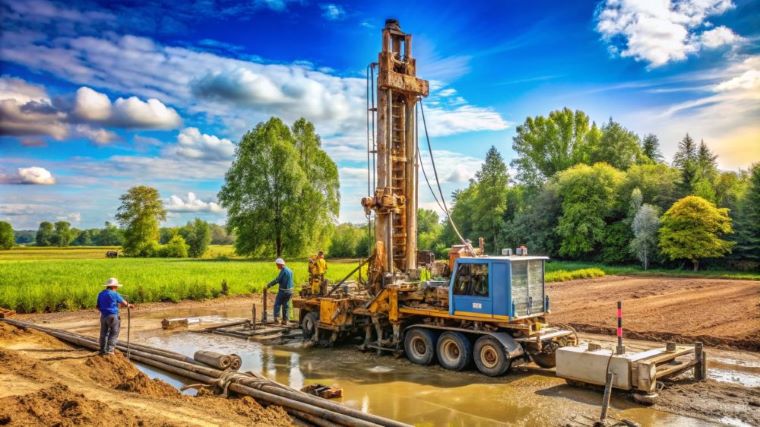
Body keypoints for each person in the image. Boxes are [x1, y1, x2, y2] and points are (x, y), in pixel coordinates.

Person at [96, 277, 134, 356]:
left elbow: (97, 306)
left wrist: (105, 310)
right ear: (113, 286)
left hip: (103, 316)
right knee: (114, 332)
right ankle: (110, 351)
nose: (117, 288)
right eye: (116, 286)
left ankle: (102, 350)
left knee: (104, 333)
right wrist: (130, 305)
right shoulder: (115, 294)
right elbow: (124, 303)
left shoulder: (101, 294)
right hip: (113, 316)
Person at [266, 258, 293, 325]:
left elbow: (277, 280)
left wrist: (269, 285)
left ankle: (277, 319)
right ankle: (285, 320)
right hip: (290, 291)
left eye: (277, 265)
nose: (277, 266)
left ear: (280, 264)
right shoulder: (290, 270)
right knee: (286, 305)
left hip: (283, 291)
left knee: (277, 304)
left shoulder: (283, 271)